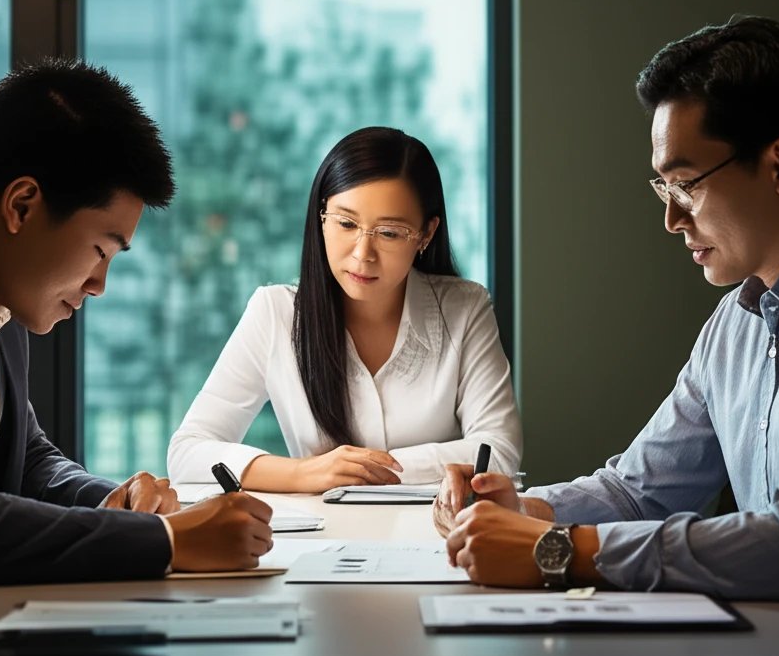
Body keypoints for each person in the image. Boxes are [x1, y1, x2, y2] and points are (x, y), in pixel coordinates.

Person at [436, 16, 779, 606]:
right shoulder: (733, 326)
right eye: (663, 189)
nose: (672, 219)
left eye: (685, 184)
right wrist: (525, 511)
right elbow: (640, 492)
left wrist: (555, 550)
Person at [0, 60, 272, 637]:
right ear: (21, 205)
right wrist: (167, 540)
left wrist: (108, 501)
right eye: (101, 249)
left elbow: (25, 460)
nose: (99, 284)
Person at [167, 126, 521, 492]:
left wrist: (363, 470)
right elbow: (187, 451)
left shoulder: (464, 308)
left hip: (438, 536)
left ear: (426, 235)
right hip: (321, 538)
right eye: (347, 224)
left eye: (389, 233)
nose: (361, 254)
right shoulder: (274, 314)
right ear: (321, 217)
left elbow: (499, 450)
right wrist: (308, 473)